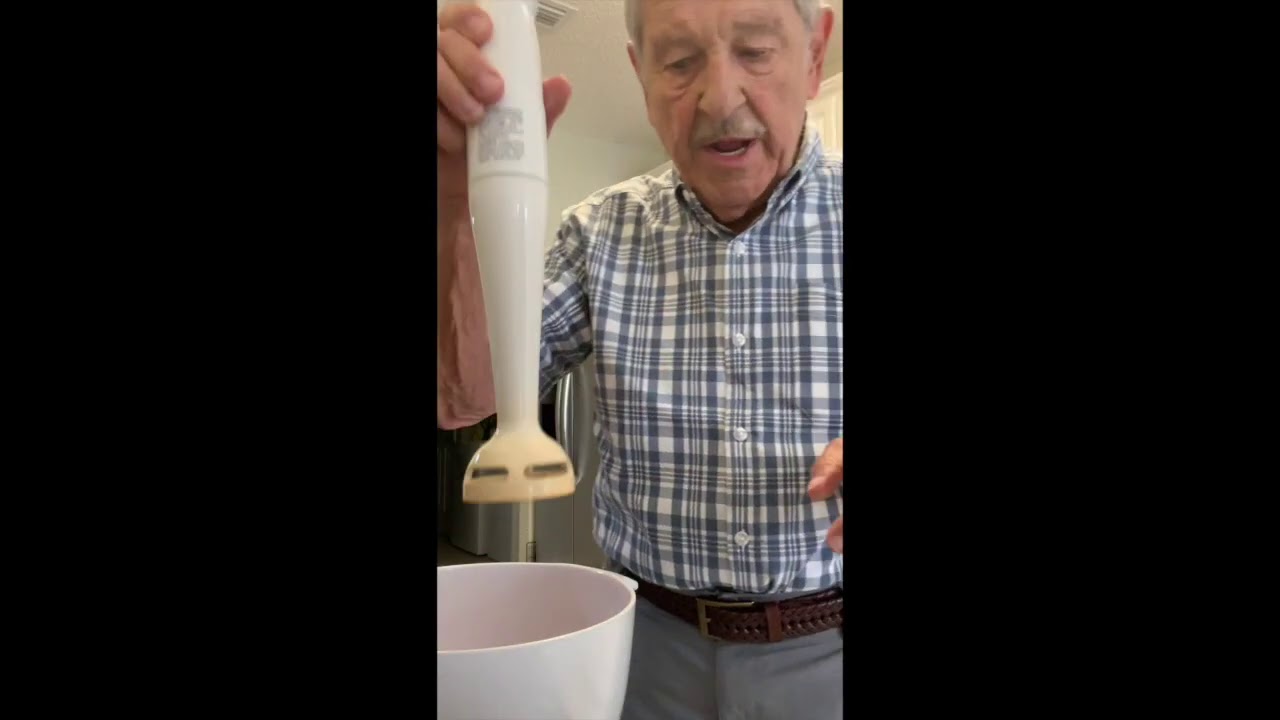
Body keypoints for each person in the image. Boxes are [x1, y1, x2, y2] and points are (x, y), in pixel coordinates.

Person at [437, 1, 843, 717]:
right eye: (680, 62)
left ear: (814, 55)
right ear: (640, 75)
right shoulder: (597, 232)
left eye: (754, 51)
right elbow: (464, 396)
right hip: (642, 644)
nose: (719, 98)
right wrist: (447, 204)